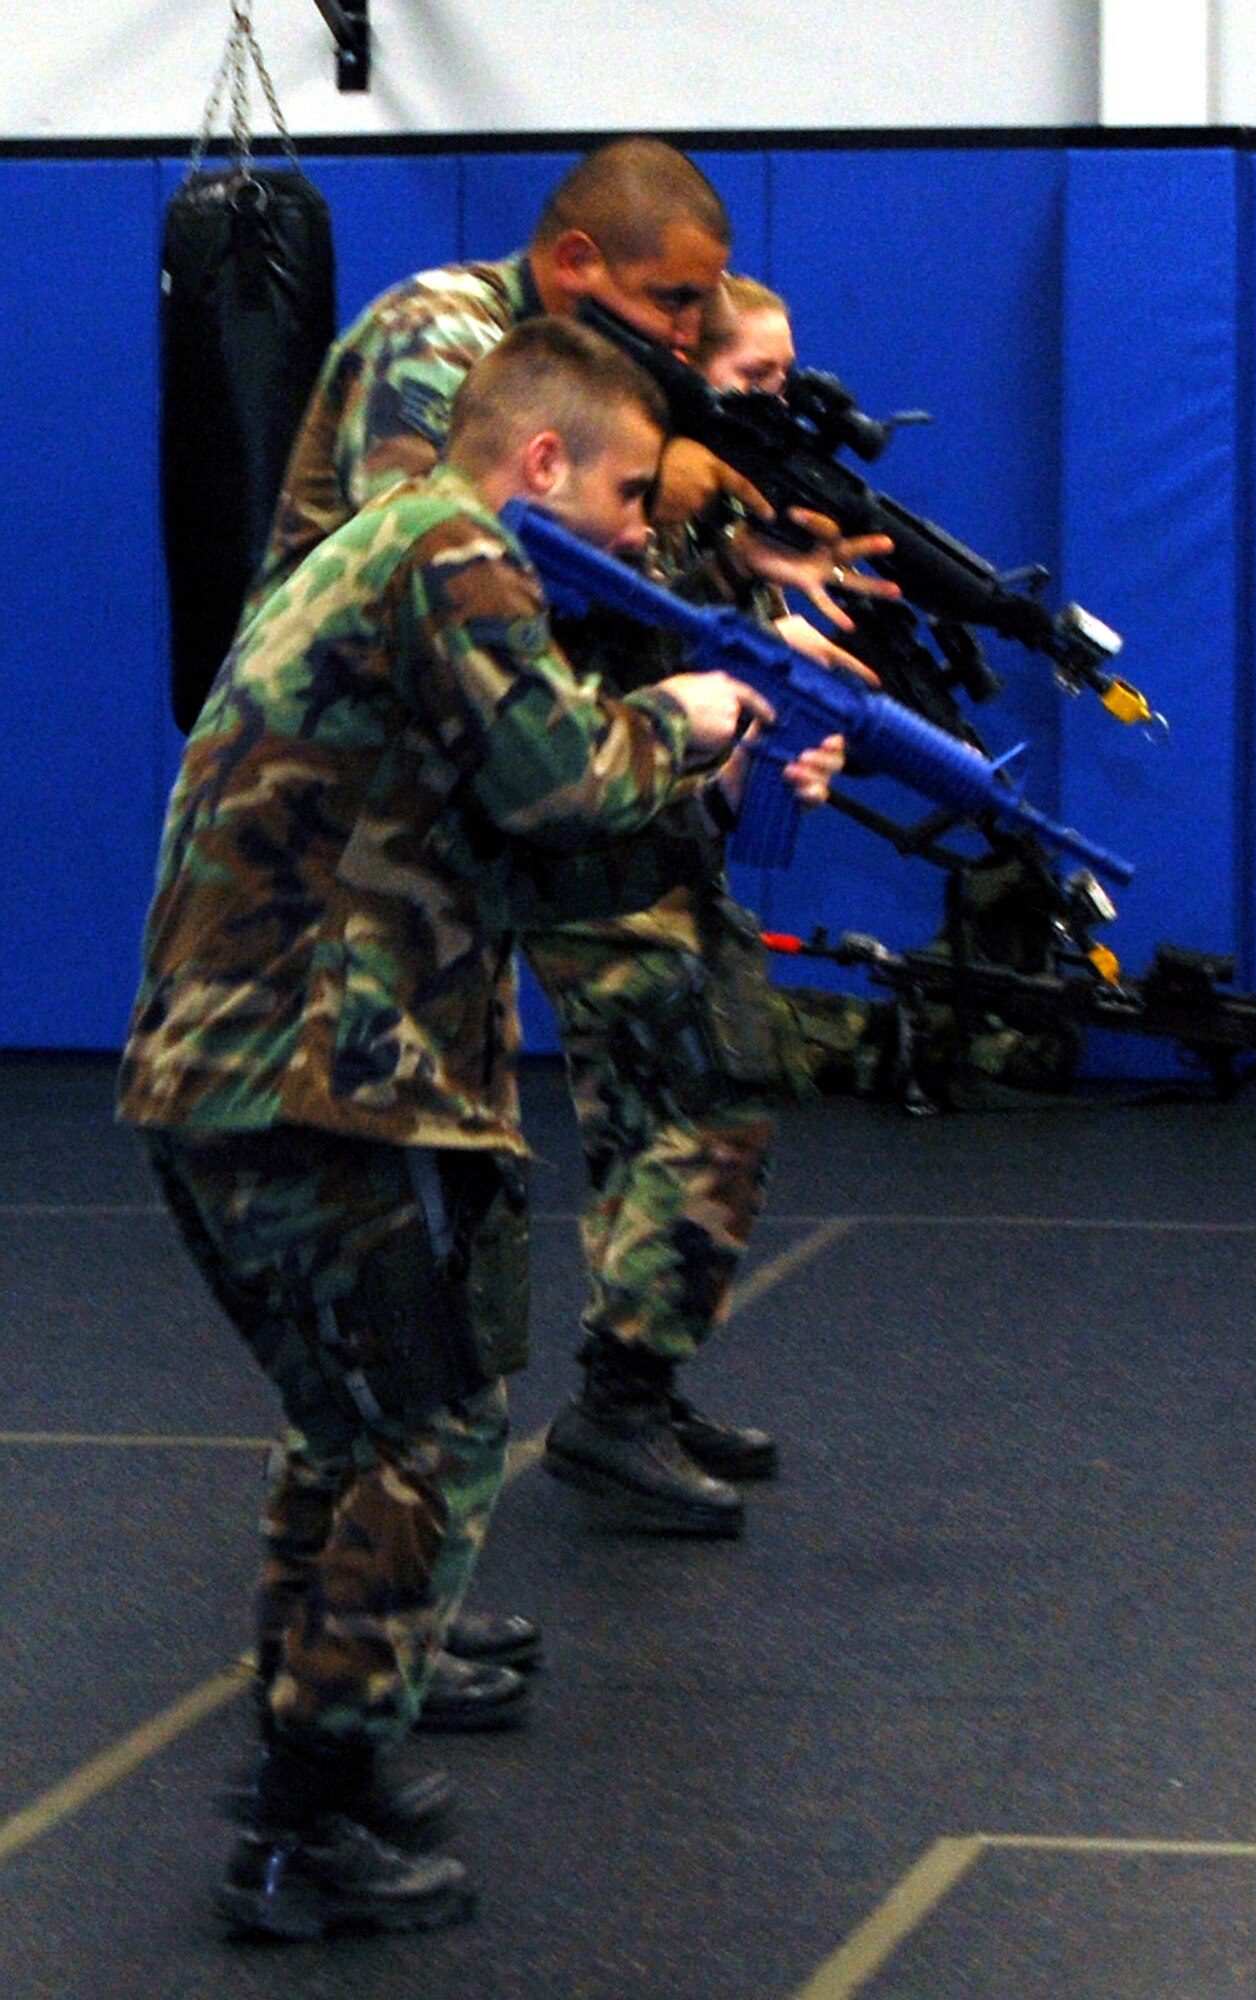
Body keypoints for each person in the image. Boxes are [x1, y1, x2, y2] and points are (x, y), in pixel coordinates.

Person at [117, 320, 783, 1938]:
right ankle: (307, 1821)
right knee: (431, 1434)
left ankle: (315, 1758)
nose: (637, 531)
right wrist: (683, 717)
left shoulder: (390, 556)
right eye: (626, 492)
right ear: (542, 459)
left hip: (238, 1075)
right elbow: (560, 784)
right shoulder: (452, 548)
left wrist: (709, 789)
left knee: (349, 1434)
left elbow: (522, 855)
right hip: (325, 1079)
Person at [243, 137, 861, 1557]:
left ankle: (622, 1394)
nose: (693, 331)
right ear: (575, 262)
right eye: (672, 301)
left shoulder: (624, 385)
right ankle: (363, 1578)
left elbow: (605, 580)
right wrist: (680, 514)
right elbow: (459, 563)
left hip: (552, 758)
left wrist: (741, 596)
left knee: (702, 1043)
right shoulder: (438, 334)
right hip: (398, 798)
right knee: (399, 1194)